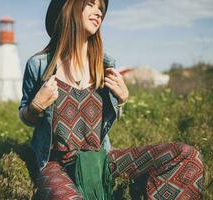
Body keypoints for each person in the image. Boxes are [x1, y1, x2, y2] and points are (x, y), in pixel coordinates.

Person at [18, 0, 204, 199]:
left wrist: (122, 99)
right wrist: (36, 105)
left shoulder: (105, 65)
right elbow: (26, 116)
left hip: (101, 160)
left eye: (101, 9)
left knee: (187, 156)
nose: (98, 12)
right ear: (68, 8)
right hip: (57, 164)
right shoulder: (39, 65)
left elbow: (104, 119)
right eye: (90, 4)